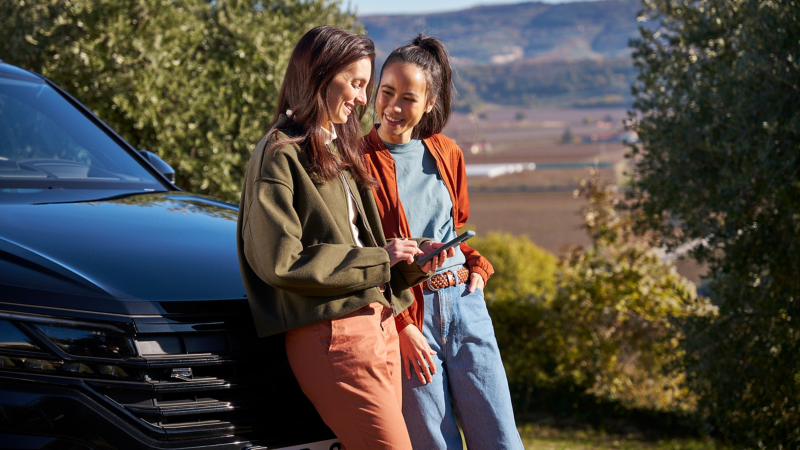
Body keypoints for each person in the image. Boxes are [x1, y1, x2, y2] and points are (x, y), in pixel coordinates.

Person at [237, 26, 443, 450]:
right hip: (333, 336)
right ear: (318, 74)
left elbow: (363, 252)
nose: (364, 99)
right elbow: (281, 261)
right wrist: (381, 259)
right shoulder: (279, 154)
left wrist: (407, 266)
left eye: (365, 85)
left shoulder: (338, 152)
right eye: (356, 82)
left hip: (378, 326)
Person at [361, 35, 524, 450]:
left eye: (409, 98)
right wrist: (401, 327)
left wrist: (479, 269)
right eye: (387, 92)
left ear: (429, 103)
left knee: (500, 436)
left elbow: (458, 228)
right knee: (433, 441)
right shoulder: (355, 160)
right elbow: (357, 252)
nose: (393, 107)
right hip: (410, 315)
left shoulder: (447, 153)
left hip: (465, 305)